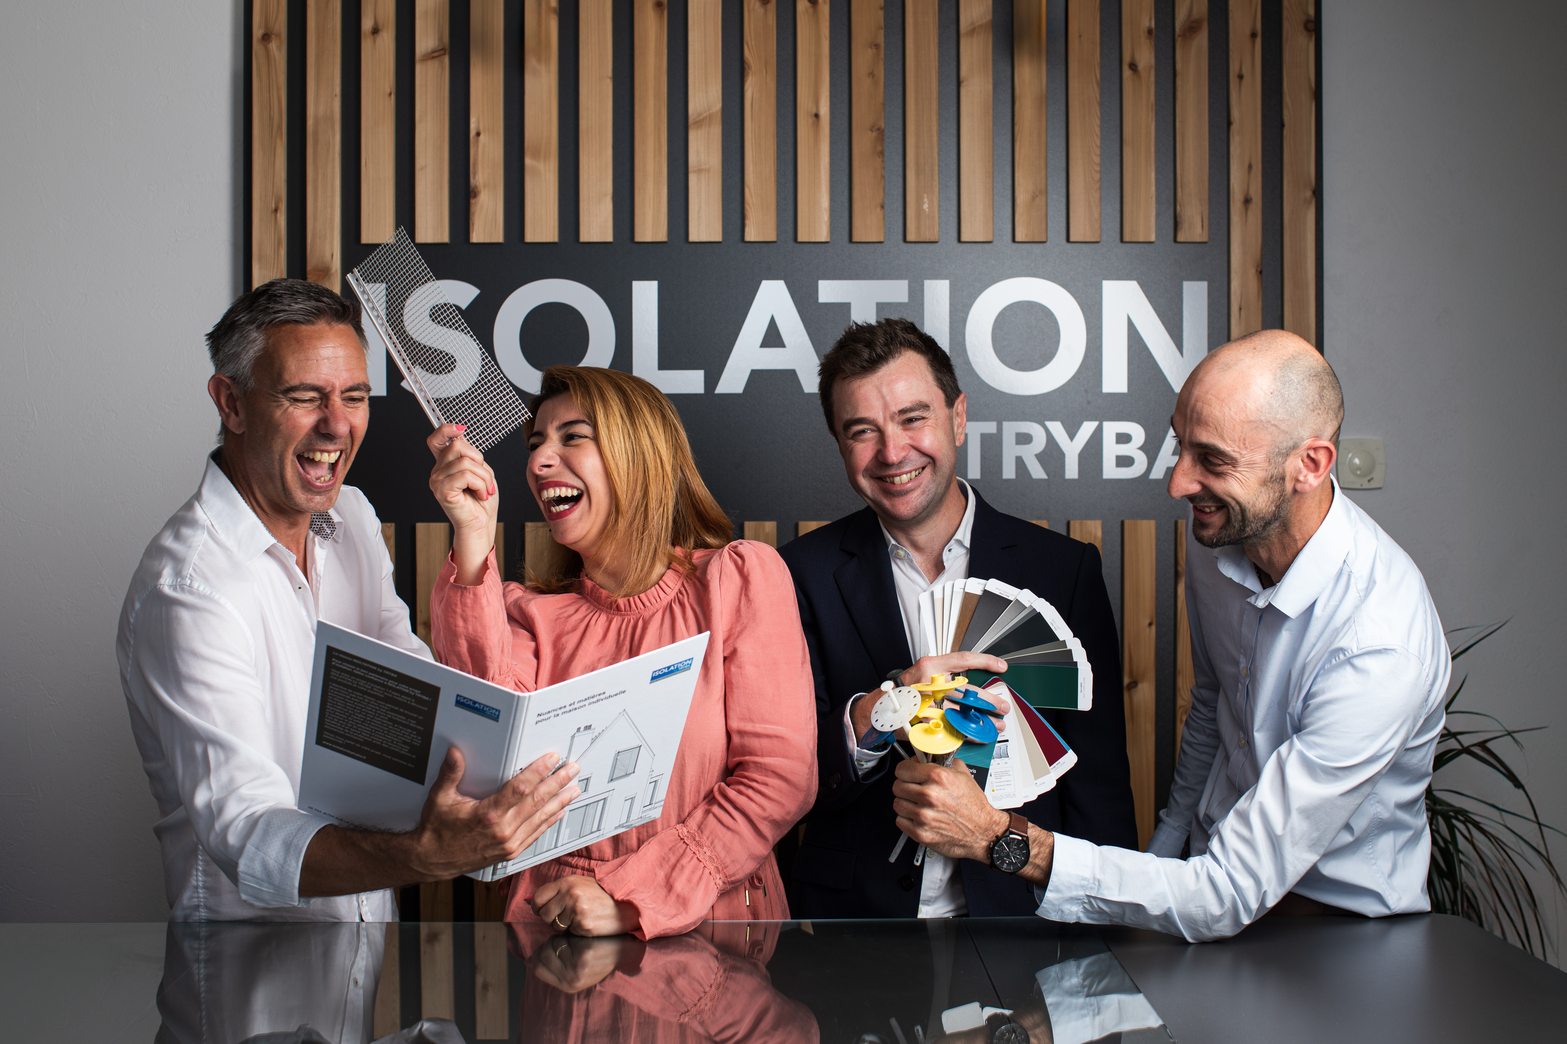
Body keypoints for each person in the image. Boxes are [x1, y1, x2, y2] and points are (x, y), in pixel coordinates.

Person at [894, 330, 1451, 941]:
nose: (1178, 484)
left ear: (1309, 465)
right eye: (1180, 446)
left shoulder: (1379, 647)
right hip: (1202, 895)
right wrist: (1164, 851)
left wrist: (999, 839)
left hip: (1340, 938)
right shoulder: (1220, 535)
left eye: (1212, 460)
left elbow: (1227, 892)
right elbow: (1214, 710)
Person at [118, 279, 579, 922]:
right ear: (231, 403)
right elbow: (246, 833)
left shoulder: (353, 516)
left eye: (355, 396)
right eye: (304, 396)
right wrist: (426, 854)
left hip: (358, 963)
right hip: (242, 987)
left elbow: (418, 692)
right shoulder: (190, 590)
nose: (337, 425)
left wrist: (474, 537)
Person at [426, 365, 817, 939]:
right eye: (535, 444)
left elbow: (778, 778)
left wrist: (629, 897)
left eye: (572, 437)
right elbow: (483, 752)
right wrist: (473, 535)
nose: (537, 463)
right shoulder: (530, 617)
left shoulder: (735, 582)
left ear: (640, 453)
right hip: (555, 941)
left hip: (711, 943)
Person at [777, 319, 1137, 919]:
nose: (892, 453)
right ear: (841, 446)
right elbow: (784, 778)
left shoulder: (1063, 570)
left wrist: (1102, 929)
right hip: (853, 923)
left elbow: (1097, 787)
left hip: (1021, 910)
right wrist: (880, 712)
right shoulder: (796, 575)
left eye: (913, 418)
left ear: (959, 416)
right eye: (863, 431)